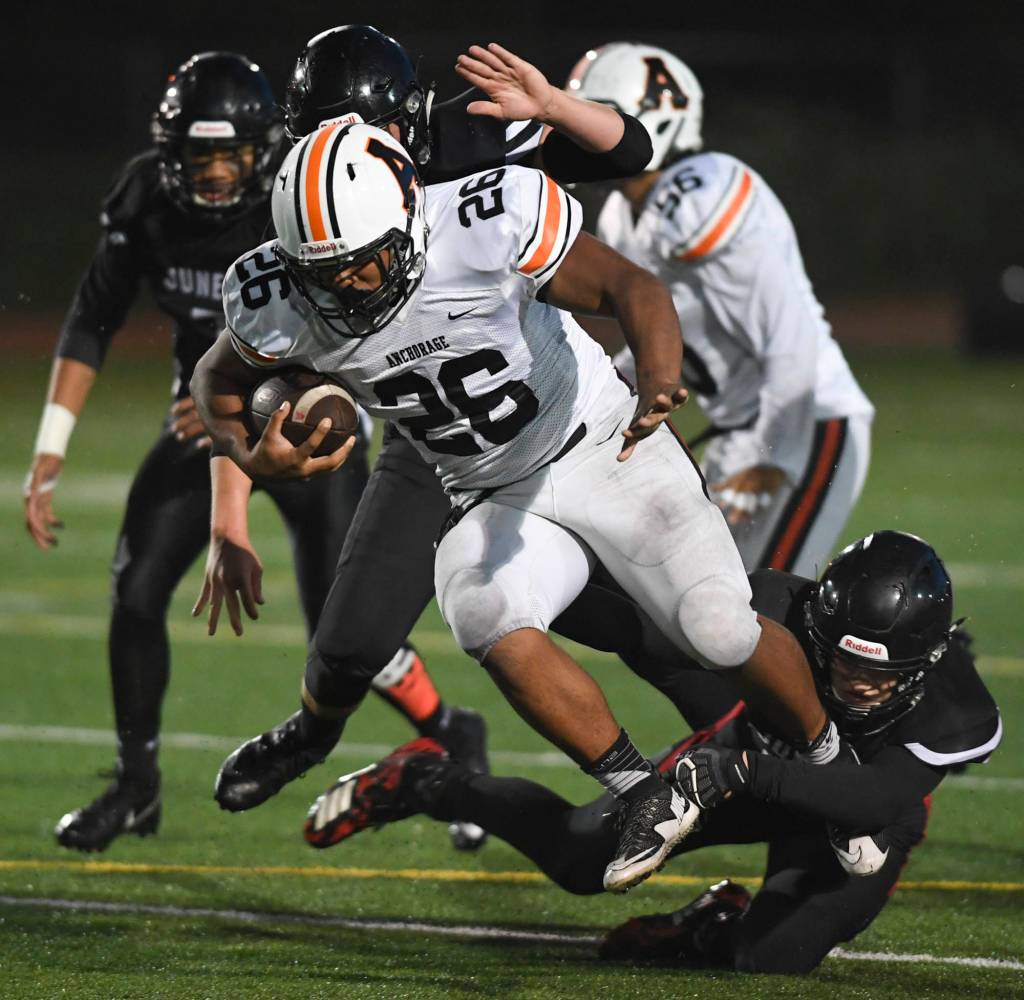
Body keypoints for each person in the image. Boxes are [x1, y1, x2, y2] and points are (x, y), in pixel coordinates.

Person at [191, 119, 839, 893]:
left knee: (716, 628)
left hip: (604, 445)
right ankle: (641, 791)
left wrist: (660, 375)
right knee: (478, 602)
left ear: (406, 215)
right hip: (494, 491)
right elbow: (216, 384)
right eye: (323, 273)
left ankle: (832, 761)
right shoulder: (277, 292)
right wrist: (246, 450)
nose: (346, 287)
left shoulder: (482, 222)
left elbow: (631, 286)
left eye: (363, 265)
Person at [24, 52, 483, 853]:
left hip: (314, 424)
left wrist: (229, 510)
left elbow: (278, 366)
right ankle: (137, 785)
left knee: (339, 636)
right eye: (198, 156)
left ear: (263, 149)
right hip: (207, 419)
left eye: (229, 154)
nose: (212, 174)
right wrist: (50, 448)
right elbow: (94, 317)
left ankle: (451, 729)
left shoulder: (296, 206)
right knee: (134, 591)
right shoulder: (147, 200)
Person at [303, 531, 1002, 973]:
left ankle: (706, 928)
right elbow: (644, 632)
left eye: (877, 673)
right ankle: (425, 781)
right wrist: (527, 592)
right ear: (816, 622)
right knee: (584, 857)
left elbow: (876, 801)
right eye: (841, 661)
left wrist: (738, 771)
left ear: (926, 660)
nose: (855, 683)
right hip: (744, 755)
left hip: (833, 808)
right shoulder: (772, 610)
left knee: (772, 958)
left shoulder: (957, 705)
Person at [570, 43, 874, 580]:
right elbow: (679, 326)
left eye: (596, 112)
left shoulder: (704, 190)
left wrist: (772, 458)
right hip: (739, 434)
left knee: (774, 614)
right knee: (704, 617)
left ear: (649, 121)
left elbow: (789, 335)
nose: (578, 127)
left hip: (809, 420)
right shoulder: (624, 214)